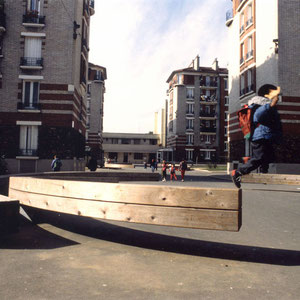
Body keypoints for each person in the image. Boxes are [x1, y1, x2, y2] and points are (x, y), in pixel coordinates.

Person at [231, 84, 282, 188]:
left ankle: (264, 174)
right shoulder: (261, 104)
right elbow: (258, 116)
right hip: (261, 136)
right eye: (274, 93)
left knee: (268, 156)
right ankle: (238, 172)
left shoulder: (263, 104)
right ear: (267, 94)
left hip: (266, 136)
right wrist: (270, 105)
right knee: (258, 158)